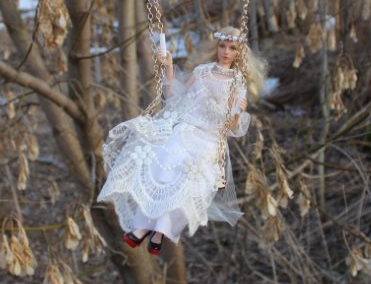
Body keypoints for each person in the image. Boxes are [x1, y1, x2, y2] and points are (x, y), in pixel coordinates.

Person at [97, 26, 266, 255]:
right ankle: (142, 226)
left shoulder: (238, 83)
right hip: (185, 128)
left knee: (189, 182)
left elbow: (233, 127)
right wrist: (168, 69)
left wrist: (238, 112)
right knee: (162, 161)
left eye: (232, 48)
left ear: (239, 52)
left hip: (209, 140)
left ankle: (162, 230)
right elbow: (176, 96)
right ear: (216, 47)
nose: (226, 52)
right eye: (222, 46)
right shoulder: (202, 71)